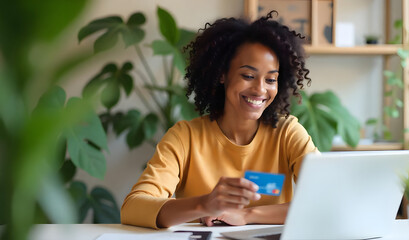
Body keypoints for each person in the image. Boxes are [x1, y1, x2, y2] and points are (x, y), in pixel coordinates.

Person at [121, 11, 317, 229]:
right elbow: (133, 207)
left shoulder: (287, 133)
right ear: (222, 74)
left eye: (271, 79)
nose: (260, 89)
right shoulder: (186, 137)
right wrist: (205, 205)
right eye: (248, 76)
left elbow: (325, 199)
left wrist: (247, 215)